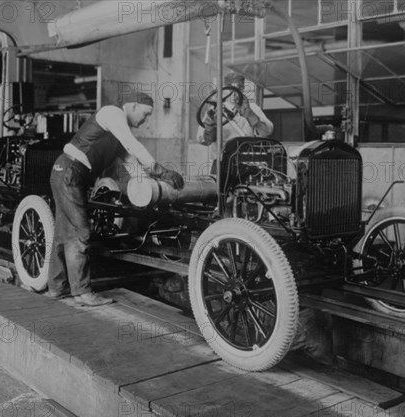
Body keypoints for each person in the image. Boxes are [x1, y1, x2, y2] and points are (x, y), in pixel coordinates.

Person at [47, 92, 184, 306]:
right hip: (70, 172)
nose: (145, 120)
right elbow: (133, 145)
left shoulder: (116, 136)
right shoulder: (113, 113)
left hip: (67, 172)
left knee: (63, 233)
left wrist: (154, 187)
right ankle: (82, 292)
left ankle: (57, 288)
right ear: (134, 106)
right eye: (146, 114)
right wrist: (160, 170)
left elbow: (134, 167)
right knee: (79, 233)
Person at [197, 72, 274, 148]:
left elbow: (267, 132)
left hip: (247, 157)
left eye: (239, 87)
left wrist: (251, 115)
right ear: (224, 89)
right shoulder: (214, 111)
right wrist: (210, 128)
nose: (234, 92)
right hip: (223, 158)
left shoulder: (253, 108)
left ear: (243, 88)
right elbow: (204, 141)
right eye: (230, 87)